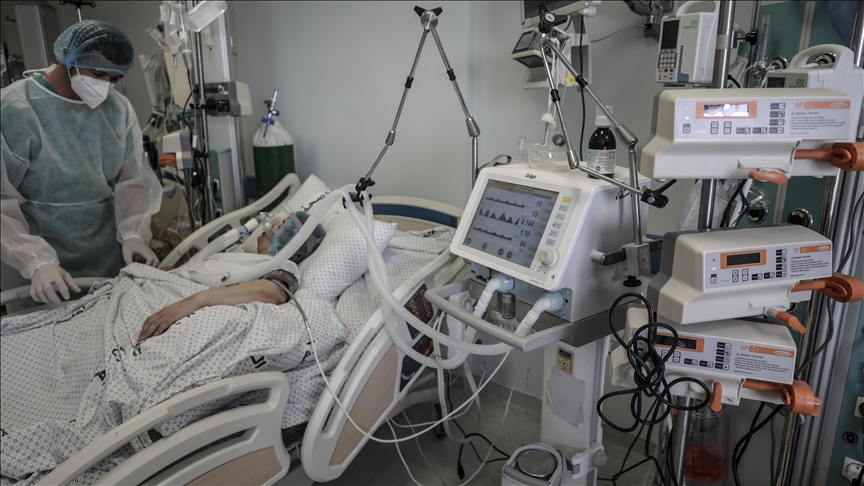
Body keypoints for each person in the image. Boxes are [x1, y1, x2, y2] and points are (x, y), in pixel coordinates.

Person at [1, 20, 162, 305]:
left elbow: (133, 178)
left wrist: (133, 233)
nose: (104, 86)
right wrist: (35, 261)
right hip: (34, 264)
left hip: (100, 252)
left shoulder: (117, 109)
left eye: (114, 79)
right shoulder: (17, 108)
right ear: (68, 58)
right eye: (97, 73)